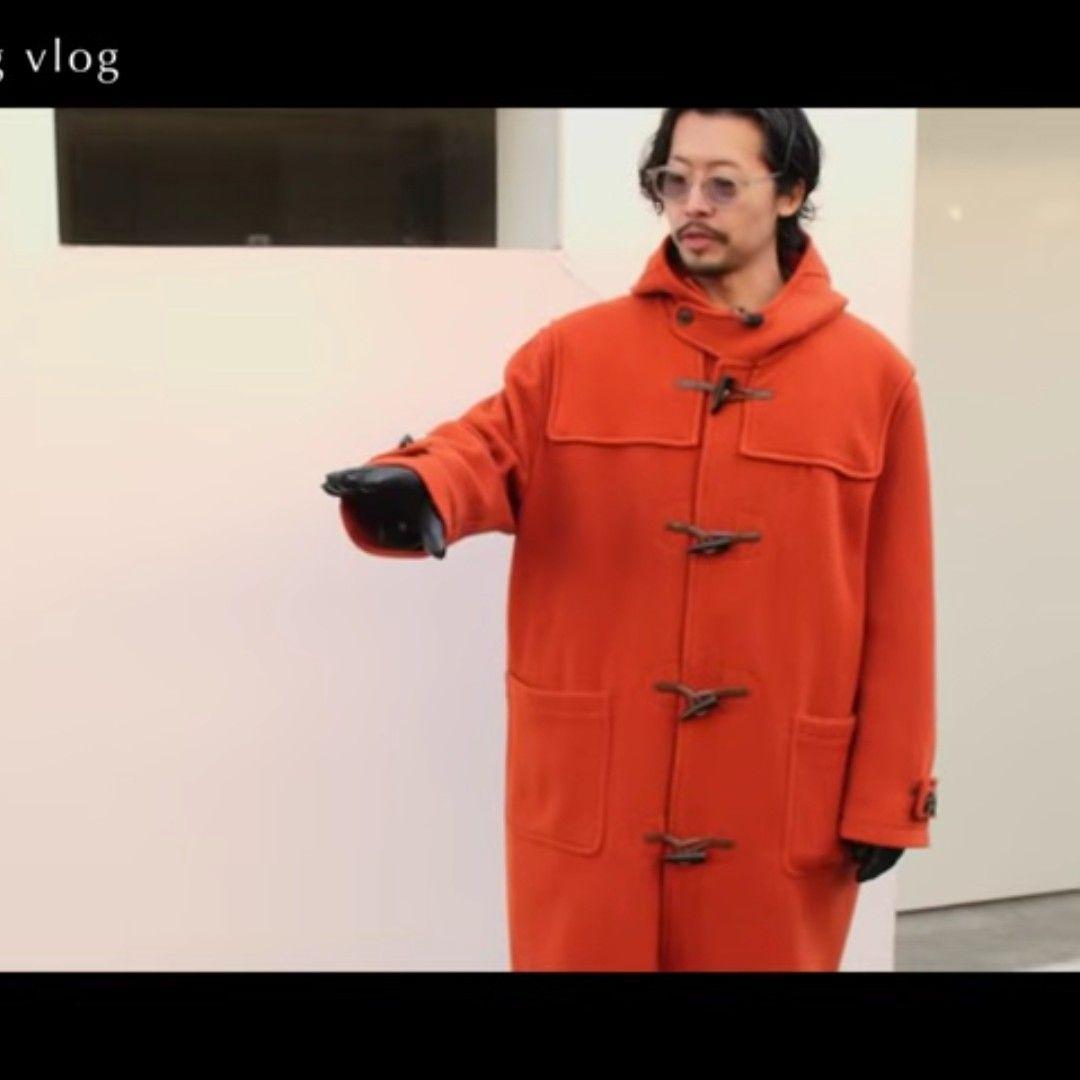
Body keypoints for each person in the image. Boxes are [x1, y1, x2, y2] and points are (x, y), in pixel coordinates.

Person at [323, 108, 938, 971]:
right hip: (599, 792)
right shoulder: (573, 354)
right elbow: (486, 449)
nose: (693, 204)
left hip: (775, 797)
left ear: (791, 192)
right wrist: (418, 484)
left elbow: (900, 609)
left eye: (723, 183)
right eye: (673, 181)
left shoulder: (873, 380)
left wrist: (888, 796)